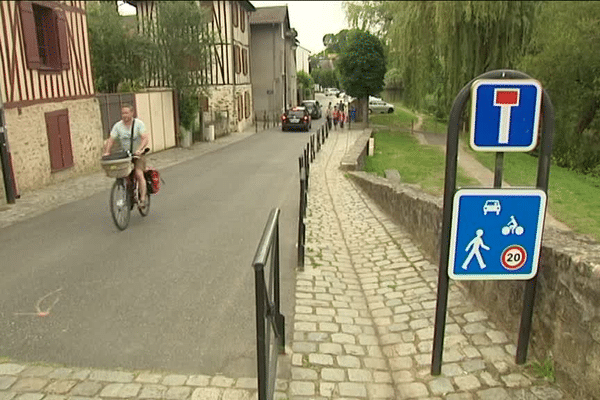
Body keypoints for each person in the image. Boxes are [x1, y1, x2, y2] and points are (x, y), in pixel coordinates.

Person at [103, 104, 150, 209]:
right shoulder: (118, 126)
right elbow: (111, 140)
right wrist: (107, 152)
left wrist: (140, 149)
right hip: (125, 155)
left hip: (138, 155)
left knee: (138, 173)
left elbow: (144, 138)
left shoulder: (139, 124)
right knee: (122, 174)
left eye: (126, 112)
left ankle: (142, 199)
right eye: (123, 113)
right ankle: (126, 194)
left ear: (132, 113)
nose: (124, 115)